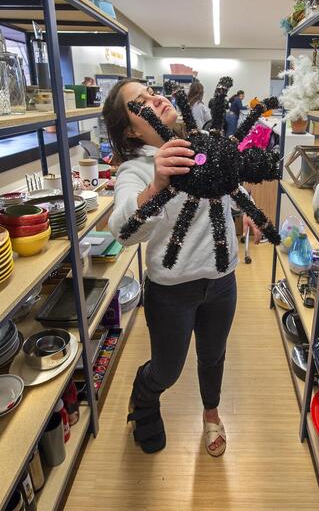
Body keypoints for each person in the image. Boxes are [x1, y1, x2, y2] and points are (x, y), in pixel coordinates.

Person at [102, 79, 263, 457]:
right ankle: (144, 400)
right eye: (138, 103)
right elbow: (124, 233)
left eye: (151, 93)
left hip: (222, 282)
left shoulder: (202, 139)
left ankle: (211, 415)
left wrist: (247, 208)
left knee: (213, 356)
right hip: (172, 292)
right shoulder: (137, 170)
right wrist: (157, 183)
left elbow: (229, 181)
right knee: (167, 369)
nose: (154, 100)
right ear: (130, 129)